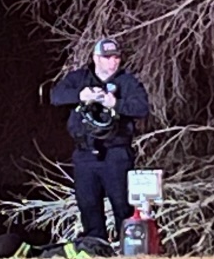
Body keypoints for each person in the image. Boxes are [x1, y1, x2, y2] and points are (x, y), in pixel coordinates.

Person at [49, 37, 151, 241]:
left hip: (116, 153)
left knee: (122, 205)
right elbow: (56, 96)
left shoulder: (127, 82)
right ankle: (96, 246)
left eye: (116, 58)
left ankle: (127, 248)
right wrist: (81, 95)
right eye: (107, 57)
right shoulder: (80, 78)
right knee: (88, 205)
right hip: (85, 154)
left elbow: (142, 108)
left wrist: (116, 104)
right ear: (96, 58)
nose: (113, 62)